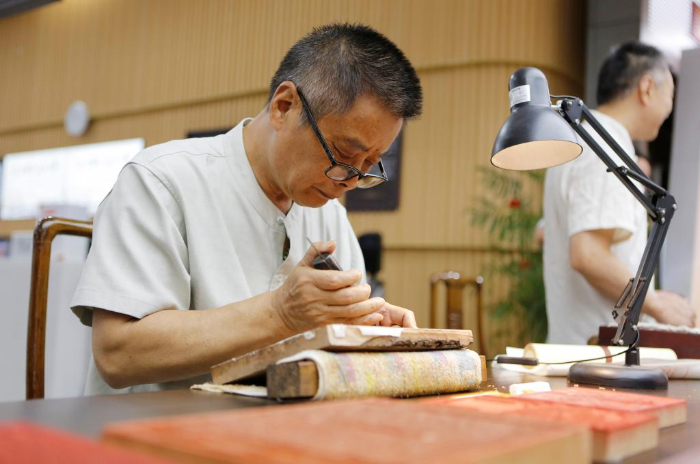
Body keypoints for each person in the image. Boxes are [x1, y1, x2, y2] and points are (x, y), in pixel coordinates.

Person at [70, 23, 423, 394]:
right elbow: (117, 354)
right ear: (284, 107)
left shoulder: (329, 214)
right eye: (344, 154)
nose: (350, 181)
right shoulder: (161, 181)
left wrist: (366, 330)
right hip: (157, 425)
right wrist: (280, 313)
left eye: (369, 165)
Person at [543, 42, 696, 345]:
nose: (670, 108)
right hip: (596, 353)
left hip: (579, 347)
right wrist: (657, 305)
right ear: (647, 88)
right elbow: (588, 255)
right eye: (671, 95)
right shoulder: (606, 148)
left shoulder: (581, 138)